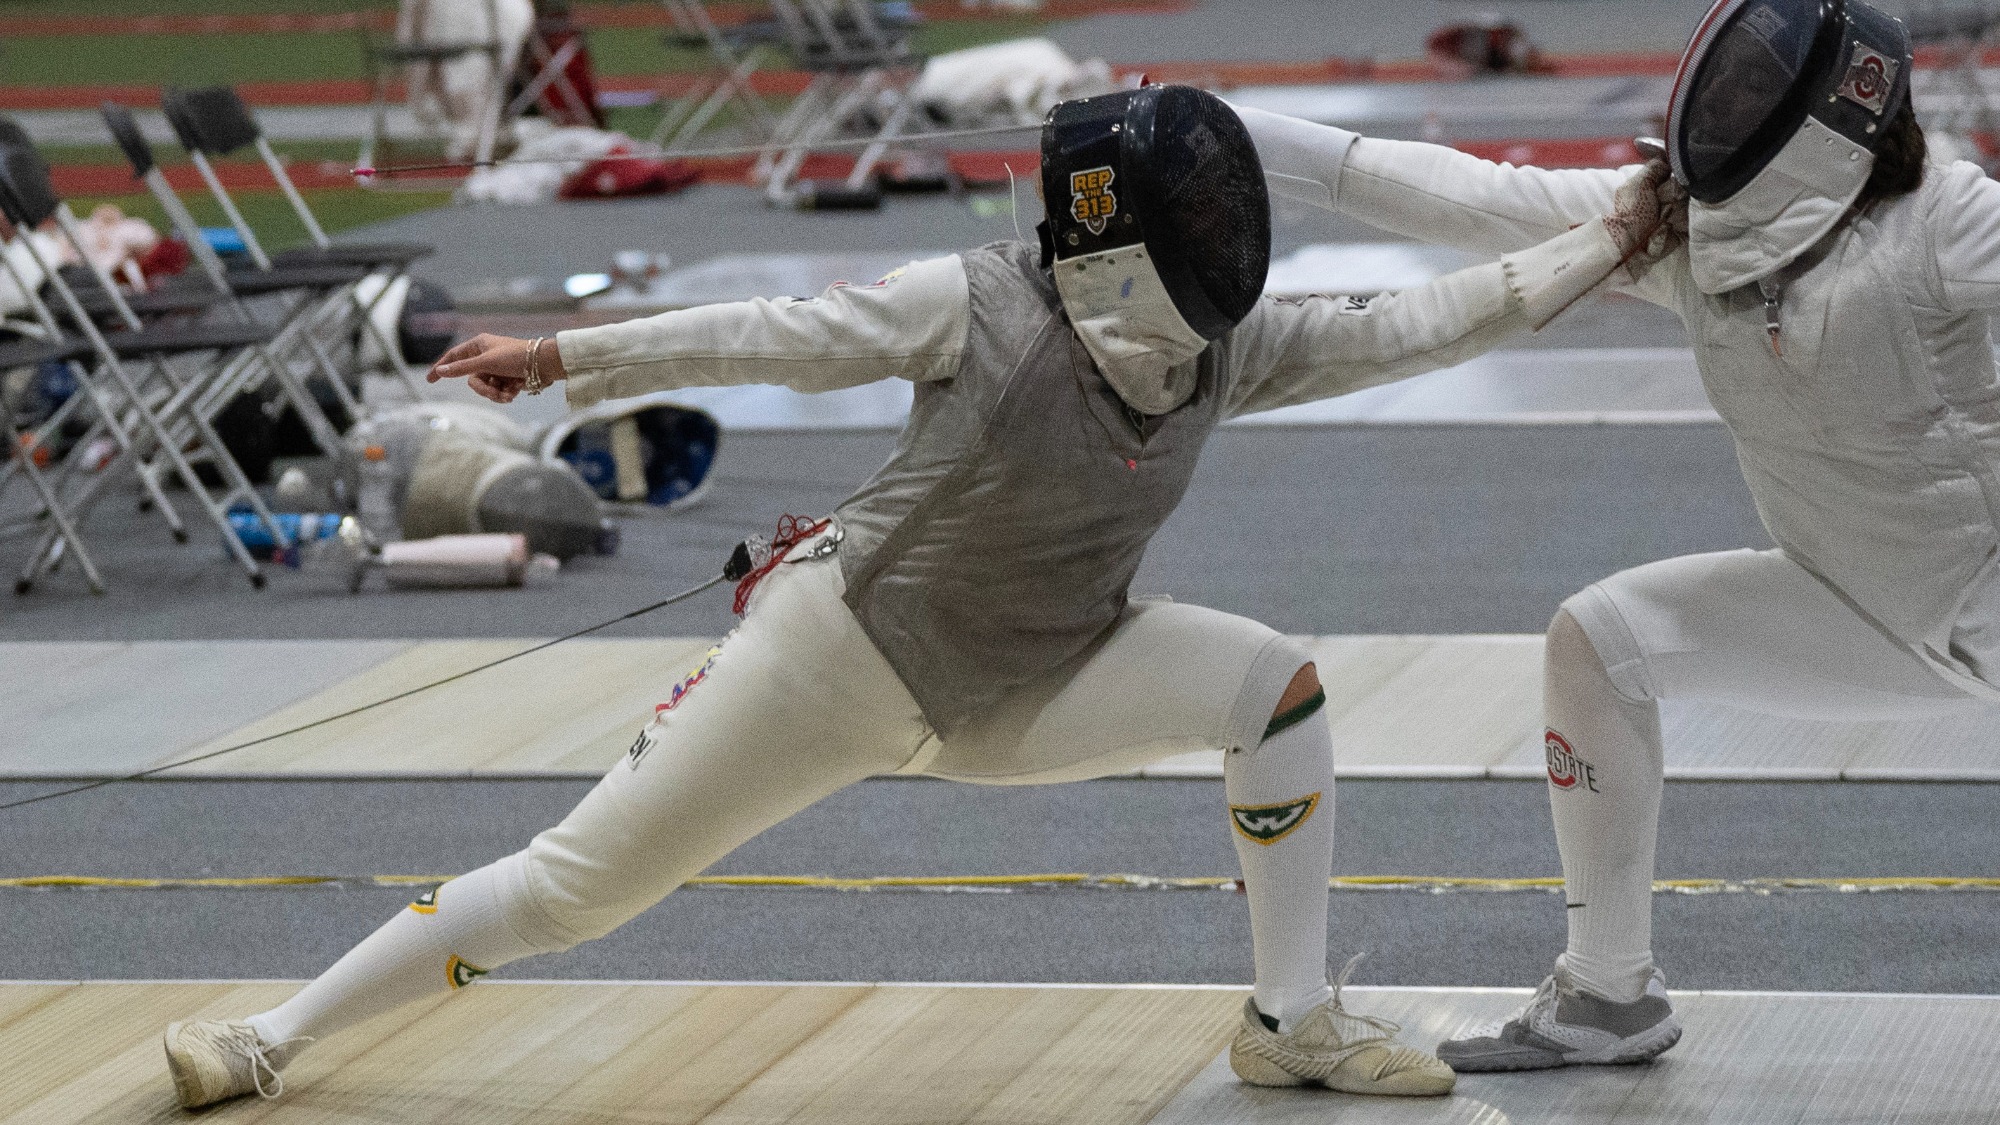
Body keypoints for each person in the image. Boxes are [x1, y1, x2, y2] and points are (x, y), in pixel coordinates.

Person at [160, 84, 1666, 1108]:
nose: (1224, 244)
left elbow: (1420, 320)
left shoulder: (1226, 349)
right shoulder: (978, 302)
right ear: (1120, 248)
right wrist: (562, 359)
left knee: (1268, 686)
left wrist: (1604, 237)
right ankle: (271, 1037)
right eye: (1193, 225)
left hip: (1036, 679)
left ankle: (1289, 1023)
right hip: (835, 662)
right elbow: (770, 333)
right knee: (572, 888)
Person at [1239, 0, 2000, 1073]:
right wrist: (1234, 127)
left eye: (1750, 91)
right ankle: (1607, 996)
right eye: (1722, 85)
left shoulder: (1942, 220)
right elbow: (1457, 192)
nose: (1717, 110)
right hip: (1854, 608)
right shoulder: (1677, 232)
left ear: (1828, 119)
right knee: (1600, 644)